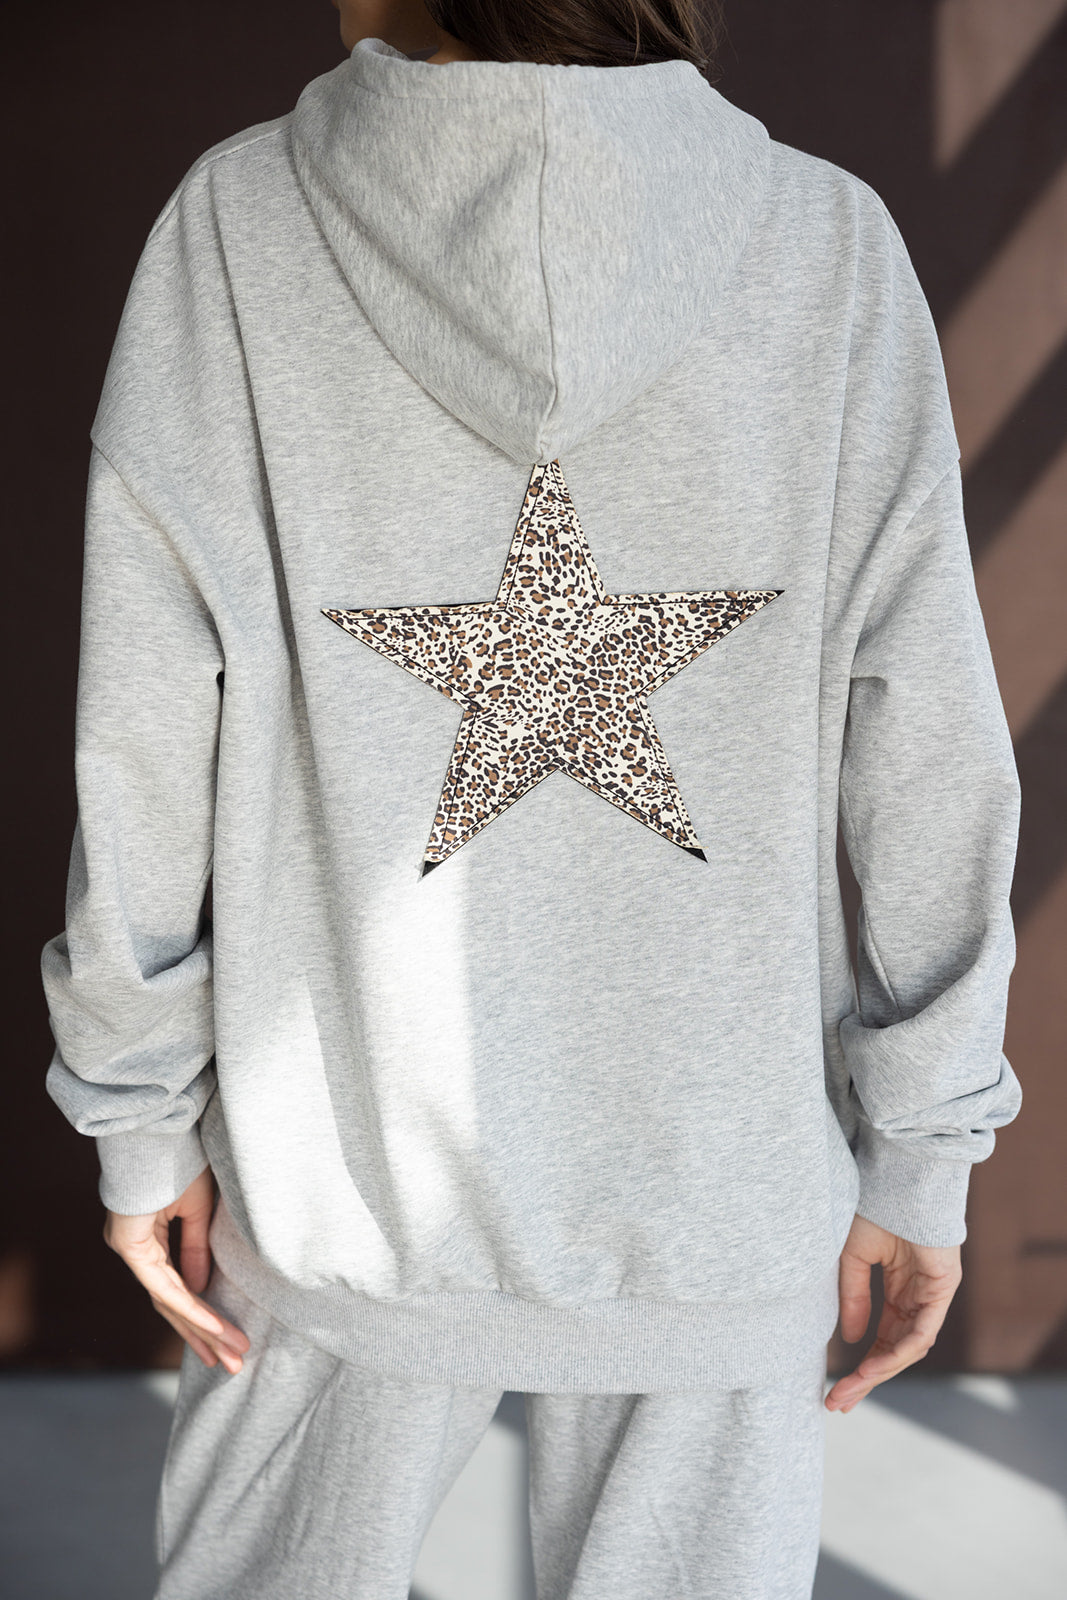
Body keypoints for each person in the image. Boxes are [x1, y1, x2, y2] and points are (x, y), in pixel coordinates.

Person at [39, 1, 1023, 1595]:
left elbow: (145, 728)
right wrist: (923, 1148)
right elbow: (928, 746)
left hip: (336, 1186)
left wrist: (139, 1113)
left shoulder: (237, 226)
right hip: (719, 1194)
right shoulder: (828, 248)